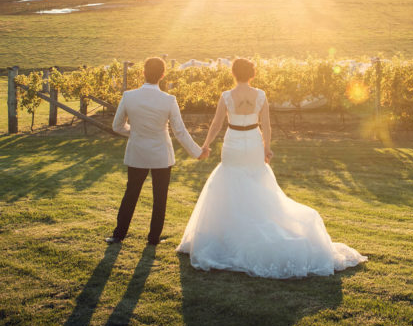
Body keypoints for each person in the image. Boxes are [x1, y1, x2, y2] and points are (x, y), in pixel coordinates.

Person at [177, 58, 366, 278]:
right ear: (252, 74)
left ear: (233, 74)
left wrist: (206, 144)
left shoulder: (227, 96)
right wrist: (267, 148)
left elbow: (217, 124)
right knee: (256, 181)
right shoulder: (260, 95)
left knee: (230, 180)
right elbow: (266, 125)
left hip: (234, 142)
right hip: (253, 141)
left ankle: (232, 233)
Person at [108, 57, 207, 245]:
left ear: (143, 73)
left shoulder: (129, 96)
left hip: (137, 152)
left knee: (131, 193)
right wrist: (197, 152)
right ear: (163, 75)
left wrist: (135, 132)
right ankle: (153, 239)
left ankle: (118, 235)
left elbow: (117, 126)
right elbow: (179, 131)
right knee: (160, 197)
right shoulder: (169, 100)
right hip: (161, 154)